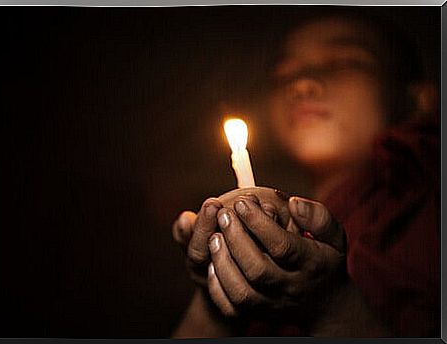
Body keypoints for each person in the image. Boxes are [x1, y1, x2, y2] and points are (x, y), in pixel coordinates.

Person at [171, 9, 439, 338]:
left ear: (419, 100)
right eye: (285, 73)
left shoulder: (428, 205)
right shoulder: (284, 221)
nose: (301, 84)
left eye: (343, 62)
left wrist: (333, 306)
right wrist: (214, 292)